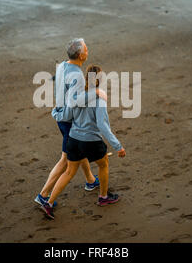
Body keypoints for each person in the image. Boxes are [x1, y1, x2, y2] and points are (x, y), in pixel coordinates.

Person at [42, 64, 126, 220]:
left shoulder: (77, 96)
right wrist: (118, 146)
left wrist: (54, 112)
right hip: (91, 140)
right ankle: (103, 197)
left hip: (73, 139)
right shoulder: (99, 100)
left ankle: (49, 203)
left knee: (69, 172)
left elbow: (66, 116)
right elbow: (102, 125)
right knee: (104, 164)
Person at [34, 38, 104, 207]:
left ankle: (90, 180)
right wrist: (96, 93)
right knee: (66, 159)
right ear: (80, 55)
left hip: (60, 116)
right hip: (69, 121)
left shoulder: (62, 66)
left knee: (79, 151)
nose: (88, 51)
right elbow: (76, 102)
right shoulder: (78, 76)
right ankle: (43, 195)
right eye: (86, 49)